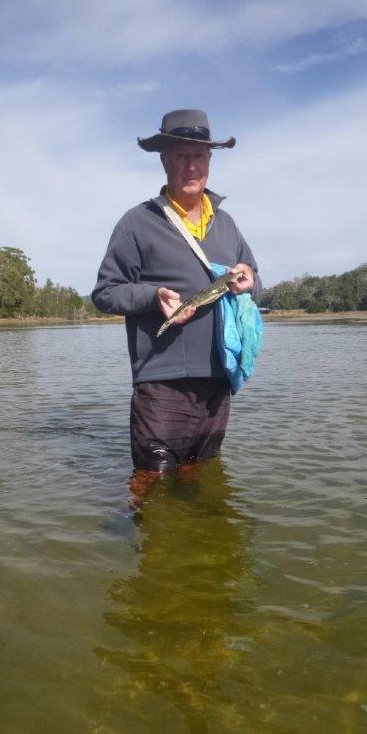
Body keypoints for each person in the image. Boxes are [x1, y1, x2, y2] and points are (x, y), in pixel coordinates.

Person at [91, 109, 262, 473]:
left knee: (201, 476)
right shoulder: (137, 222)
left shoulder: (227, 224)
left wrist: (250, 282)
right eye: (181, 156)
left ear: (210, 161)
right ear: (164, 161)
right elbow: (105, 292)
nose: (191, 166)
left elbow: (254, 280)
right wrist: (152, 297)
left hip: (218, 380)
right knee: (154, 483)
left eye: (199, 155)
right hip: (161, 385)